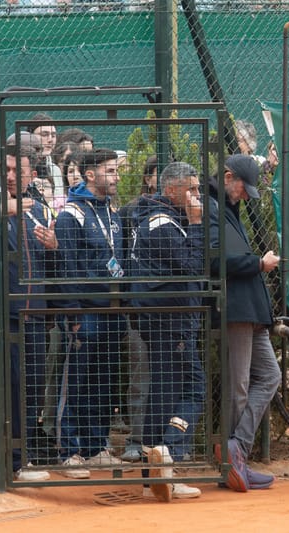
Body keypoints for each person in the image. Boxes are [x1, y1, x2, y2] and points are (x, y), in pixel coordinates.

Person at [128, 161, 205, 501]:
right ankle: (167, 452)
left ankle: (154, 477)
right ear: (172, 189)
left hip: (168, 318)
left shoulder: (160, 217)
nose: (197, 195)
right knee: (193, 387)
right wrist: (199, 223)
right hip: (170, 320)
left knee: (163, 394)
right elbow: (192, 264)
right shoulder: (161, 222)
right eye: (192, 189)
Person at [209, 154, 281, 492]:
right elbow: (214, 260)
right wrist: (258, 264)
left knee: (270, 375)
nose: (243, 193)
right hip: (235, 309)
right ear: (227, 176)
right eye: (242, 185)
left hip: (251, 309)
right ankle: (232, 464)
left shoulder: (227, 207)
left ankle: (236, 447)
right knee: (238, 387)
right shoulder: (209, 206)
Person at [53, 148, 126, 478]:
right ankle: (69, 451)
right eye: (110, 171)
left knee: (104, 382)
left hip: (113, 311)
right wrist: (73, 313)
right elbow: (66, 267)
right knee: (77, 382)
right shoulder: (72, 214)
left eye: (116, 171)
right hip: (85, 312)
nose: (116, 177)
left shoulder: (112, 211)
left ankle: (97, 447)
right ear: (91, 174)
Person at [5, 144, 59, 481]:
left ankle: (25, 454)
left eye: (17, 170)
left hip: (36, 315)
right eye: (6, 170)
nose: (11, 176)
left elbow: (53, 265)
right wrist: (4, 211)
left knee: (35, 384)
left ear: (32, 175)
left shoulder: (41, 209)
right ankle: (12, 460)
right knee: (12, 385)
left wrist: (54, 246)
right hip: (8, 314)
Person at [117, 153, 158, 463]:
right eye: (158, 173)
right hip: (136, 309)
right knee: (140, 376)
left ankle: (163, 443)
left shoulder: (183, 213)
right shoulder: (130, 212)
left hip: (169, 311)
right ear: (148, 178)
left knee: (169, 377)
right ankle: (135, 439)